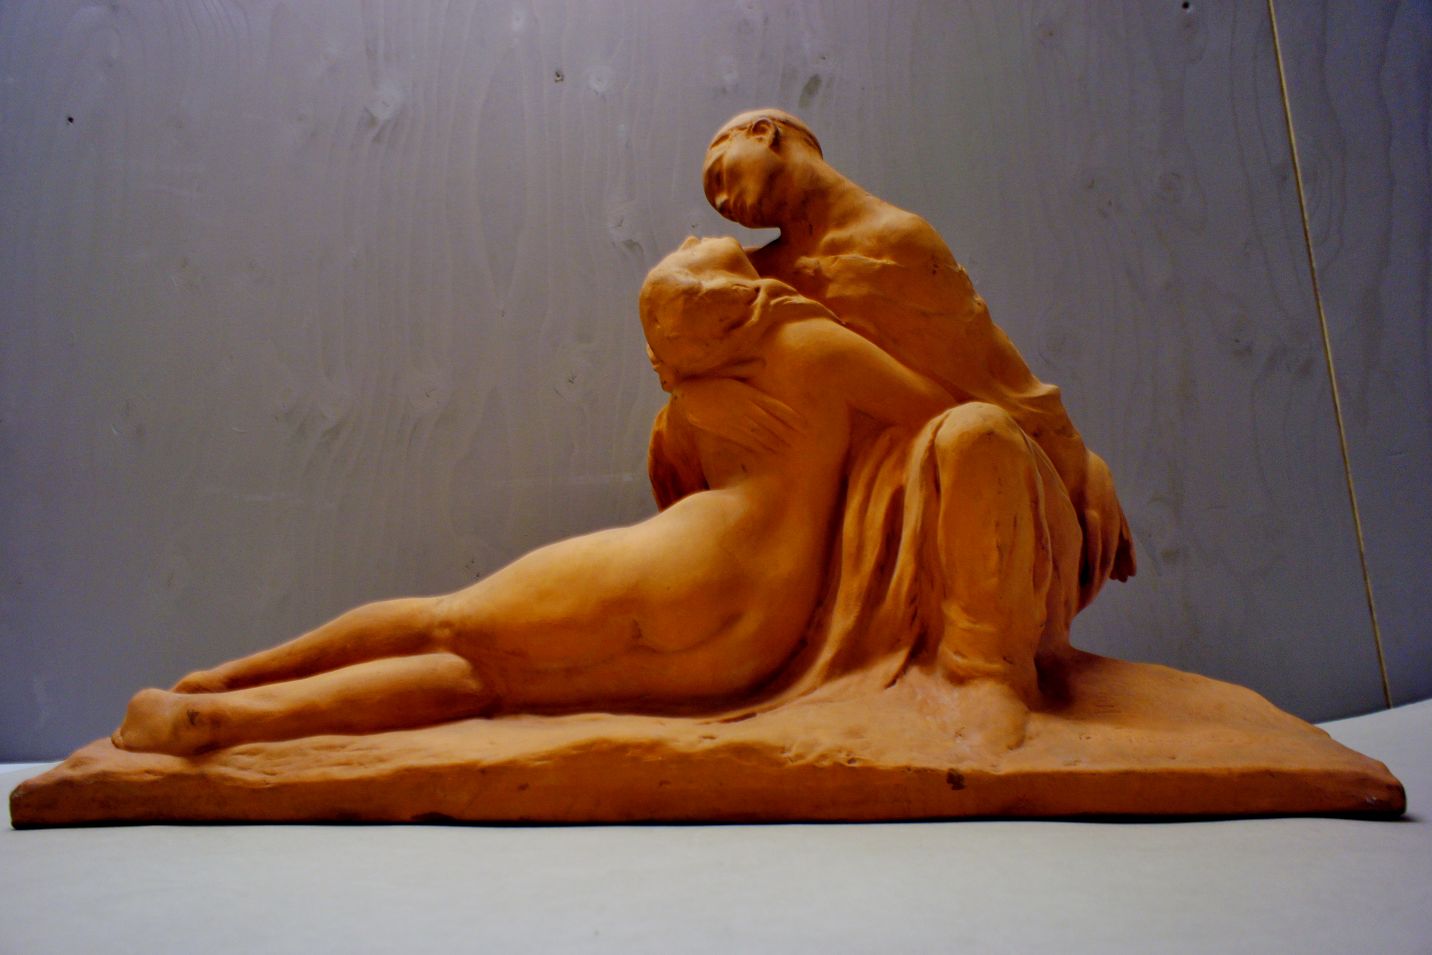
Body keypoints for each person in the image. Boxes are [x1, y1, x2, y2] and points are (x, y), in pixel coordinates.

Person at [111, 237, 958, 756]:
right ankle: (220, 717)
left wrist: (695, 397)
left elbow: (943, 415)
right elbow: (940, 411)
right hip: (753, 637)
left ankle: (220, 693)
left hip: (690, 567)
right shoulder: (810, 352)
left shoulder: (763, 366)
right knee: (488, 684)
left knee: (452, 622)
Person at [691, 108, 1134, 608]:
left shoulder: (897, 240)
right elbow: (676, 325)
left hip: (919, 475)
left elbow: (993, 371)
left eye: (720, 176)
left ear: (763, 134)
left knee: (975, 436)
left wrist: (1079, 467)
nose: (723, 204)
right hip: (809, 488)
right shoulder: (751, 270)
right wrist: (696, 395)